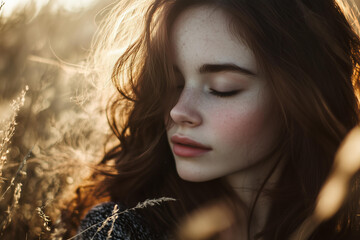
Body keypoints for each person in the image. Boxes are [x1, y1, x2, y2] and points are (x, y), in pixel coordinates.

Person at [64, 0, 360, 239]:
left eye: (222, 89)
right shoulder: (118, 229)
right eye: (174, 84)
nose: (178, 111)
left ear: (300, 97)